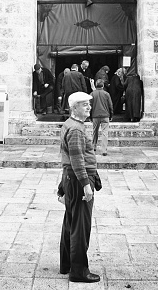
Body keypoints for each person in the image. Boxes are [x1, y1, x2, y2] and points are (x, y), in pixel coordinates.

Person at [59, 91, 101, 284]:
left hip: (71, 178)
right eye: (85, 105)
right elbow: (76, 159)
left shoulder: (71, 125)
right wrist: (86, 185)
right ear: (74, 107)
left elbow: (67, 158)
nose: (89, 108)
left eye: (89, 105)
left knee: (70, 221)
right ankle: (79, 271)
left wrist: (62, 185)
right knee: (80, 226)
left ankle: (66, 263)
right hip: (79, 180)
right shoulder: (76, 129)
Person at [90, 79, 113, 156]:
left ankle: (93, 146)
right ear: (103, 86)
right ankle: (104, 150)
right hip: (105, 115)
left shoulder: (92, 94)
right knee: (104, 133)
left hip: (95, 115)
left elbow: (90, 106)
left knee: (94, 132)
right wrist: (111, 115)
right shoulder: (106, 94)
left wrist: (90, 116)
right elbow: (110, 105)